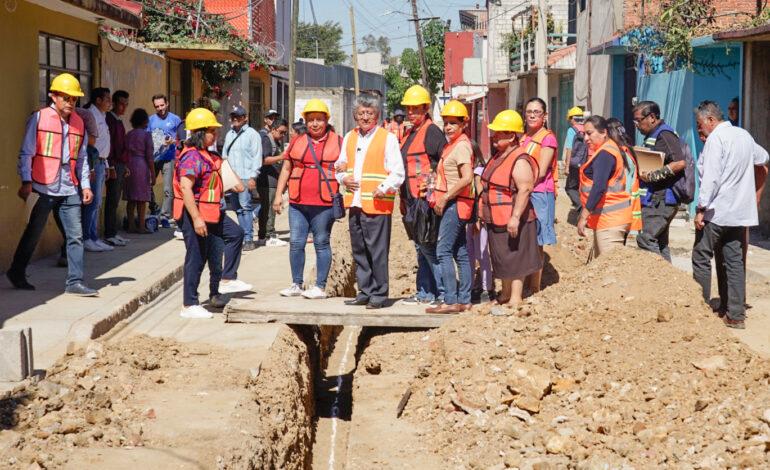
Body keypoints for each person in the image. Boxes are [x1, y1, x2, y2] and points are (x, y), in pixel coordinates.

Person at [8, 73, 97, 296]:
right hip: (43, 186)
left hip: (69, 187)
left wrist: (85, 185)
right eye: (66, 98)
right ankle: (17, 271)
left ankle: (75, 282)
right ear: (53, 96)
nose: (70, 103)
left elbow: (83, 157)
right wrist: (26, 181)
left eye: (74, 99)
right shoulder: (38, 118)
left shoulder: (79, 123)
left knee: (75, 236)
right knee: (34, 232)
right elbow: (27, 152)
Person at [692, 101, 768, 330]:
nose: (699, 130)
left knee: (701, 257)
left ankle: (699, 309)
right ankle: (735, 315)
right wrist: (753, 195)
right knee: (734, 262)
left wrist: (701, 209)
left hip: (717, 211)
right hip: (739, 213)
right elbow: (763, 158)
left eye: (699, 124)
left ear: (710, 120)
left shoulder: (717, 139)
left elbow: (712, 177)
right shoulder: (743, 135)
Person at [174, 108, 249, 319]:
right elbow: (186, 188)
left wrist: (224, 165)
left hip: (212, 211)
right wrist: (196, 219)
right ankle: (189, 304)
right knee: (196, 257)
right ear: (199, 133)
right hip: (194, 213)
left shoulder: (209, 156)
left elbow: (238, 187)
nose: (215, 135)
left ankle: (227, 278)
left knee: (236, 234)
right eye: (211, 131)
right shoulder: (191, 157)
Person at [337, 95, 405, 309]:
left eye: (369, 113)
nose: (365, 117)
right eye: (361, 113)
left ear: (376, 115)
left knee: (377, 251)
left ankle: (379, 294)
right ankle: (364, 291)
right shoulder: (350, 136)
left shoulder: (388, 138)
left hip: (377, 204)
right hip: (355, 204)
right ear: (355, 116)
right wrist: (343, 178)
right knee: (359, 250)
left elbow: (398, 173)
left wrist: (383, 188)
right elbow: (339, 165)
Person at [273, 100, 341, 299]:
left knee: (321, 242)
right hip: (297, 202)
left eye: (319, 119)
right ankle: (296, 284)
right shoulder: (297, 141)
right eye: (311, 120)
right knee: (296, 242)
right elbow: (286, 168)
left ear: (327, 120)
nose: (315, 124)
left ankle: (320, 286)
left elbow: (349, 167)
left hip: (324, 203)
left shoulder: (339, 141)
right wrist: (279, 195)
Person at [479, 110, 541, 304]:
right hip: (496, 216)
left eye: (499, 133)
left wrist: (515, 217)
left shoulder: (519, 158)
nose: (494, 136)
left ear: (512, 136)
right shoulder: (499, 155)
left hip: (514, 217)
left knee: (515, 257)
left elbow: (524, 188)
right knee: (501, 257)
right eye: (495, 132)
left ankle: (515, 298)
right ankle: (505, 294)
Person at [425, 100, 474, 314]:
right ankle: (464, 299)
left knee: (442, 250)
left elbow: (467, 178)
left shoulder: (461, 145)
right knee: (460, 251)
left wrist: (445, 197)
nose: (448, 127)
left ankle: (450, 300)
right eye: (446, 123)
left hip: (456, 203)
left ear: (464, 124)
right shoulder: (452, 145)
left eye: (453, 123)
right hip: (456, 202)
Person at [398, 84, 446, 306]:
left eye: (416, 109)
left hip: (425, 199)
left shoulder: (432, 132)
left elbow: (443, 163)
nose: (411, 113)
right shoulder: (411, 132)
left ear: (426, 108)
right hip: (411, 198)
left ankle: (443, 292)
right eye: (409, 109)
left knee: (427, 245)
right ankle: (426, 292)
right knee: (420, 246)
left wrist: (435, 191)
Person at [632, 101, 686, 262]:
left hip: (661, 199)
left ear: (652, 117)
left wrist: (652, 176)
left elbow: (679, 163)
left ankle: (658, 280)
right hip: (656, 198)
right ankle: (667, 282)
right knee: (660, 243)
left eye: (638, 120)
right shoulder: (653, 135)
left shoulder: (664, 135)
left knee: (645, 238)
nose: (636, 125)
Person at [577, 116, 633, 258]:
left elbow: (599, 187)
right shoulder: (608, 149)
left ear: (604, 132)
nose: (585, 138)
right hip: (608, 219)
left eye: (589, 133)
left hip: (610, 220)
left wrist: (583, 216)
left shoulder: (605, 154)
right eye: (584, 134)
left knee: (610, 269)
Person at [521, 98, 558, 294]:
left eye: (536, 111)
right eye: (529, 112)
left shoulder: (547, 138)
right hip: (526, 192)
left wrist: (522, 187)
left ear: (545, 116)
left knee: (536, 242)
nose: (532, 115)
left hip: (540, 193)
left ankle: (534, 286)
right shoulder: (524, 137)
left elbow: (541, 171)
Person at [222, 105, 262, 251]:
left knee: (245, 207)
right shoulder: (229, 134)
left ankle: (249, 238)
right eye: (233, 116)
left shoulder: (252, 134)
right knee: (237, 209)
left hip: (246, 176)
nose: (235, 119)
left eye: (238, 116)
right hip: (232, 178)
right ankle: (243, 235)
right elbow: (225, 155)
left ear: (245, 118)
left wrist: (253, 177)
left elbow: (257, 157)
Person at [83, 87, 113, 253]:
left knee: (97, 203)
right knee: (92, 202)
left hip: (102, 162)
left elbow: (103, 143)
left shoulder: (103, 115)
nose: (110, 103)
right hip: (93, 162)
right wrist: (92, 166)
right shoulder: (91, 114)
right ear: (98, 100)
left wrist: (107, 164)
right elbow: (89, 143)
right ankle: (86, 237)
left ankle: (94, 237)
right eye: (107, 99)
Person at [467, 140, 495, 304]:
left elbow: (479, 196)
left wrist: (478, 218)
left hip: (477, 218)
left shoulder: (478, 171)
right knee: (470, 253)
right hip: (470, 218)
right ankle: (471, 287)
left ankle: (487, 288)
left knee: (481, 253)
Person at [149, 93, 182, 227]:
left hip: (169, 158)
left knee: (168, 189)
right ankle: (154, 208)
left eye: (162, 105)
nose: (160, 108)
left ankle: (165, 216)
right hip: (154, 158)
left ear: (167, 104)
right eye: (157, 106)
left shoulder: (175, 119)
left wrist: (172, 141)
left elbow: (181, 138)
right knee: (147, 185)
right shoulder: (150, 120)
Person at [104, 90, 130, 247]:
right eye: (121, 104)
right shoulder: (110, 120)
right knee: (112, 200)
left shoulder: (119, 121)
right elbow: (111, 146)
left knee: (116, 200)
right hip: (113, 165)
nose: (124, 107)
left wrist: (125, 166)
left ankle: (113, 232)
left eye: (126, 104)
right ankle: (109, 233)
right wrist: (112, 165)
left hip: (121, 165)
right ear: (114, 103)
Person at [257, 118, 289, 247]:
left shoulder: (276, 141)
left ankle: (264, 235)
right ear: (273, 129)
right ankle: (268, 236)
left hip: (273, 180)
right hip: (267, 181)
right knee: (269, 209)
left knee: (268, 208)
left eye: (285, 133)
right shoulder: (266, 140)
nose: (283, 136)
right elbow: (264, 160)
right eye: (281, 132)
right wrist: (281, 157)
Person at [124, 108, 155, 233]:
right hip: (142, 165)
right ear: (145, 121)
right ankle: (141, 226)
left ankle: (131, 225)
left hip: (129, 165)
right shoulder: (146, 135)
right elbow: (150, 156)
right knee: (142, 199)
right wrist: (153, 174)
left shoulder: (129, 134)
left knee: (131, 198)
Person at [563, 106, 587, 210]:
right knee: (582, 187)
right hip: (587, 162)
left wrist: (567, 167)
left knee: (570, 188)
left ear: (573, 119)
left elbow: (569, 149)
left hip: (575, 164)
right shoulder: (587, 128)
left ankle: (581, 207)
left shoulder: (572, 130)